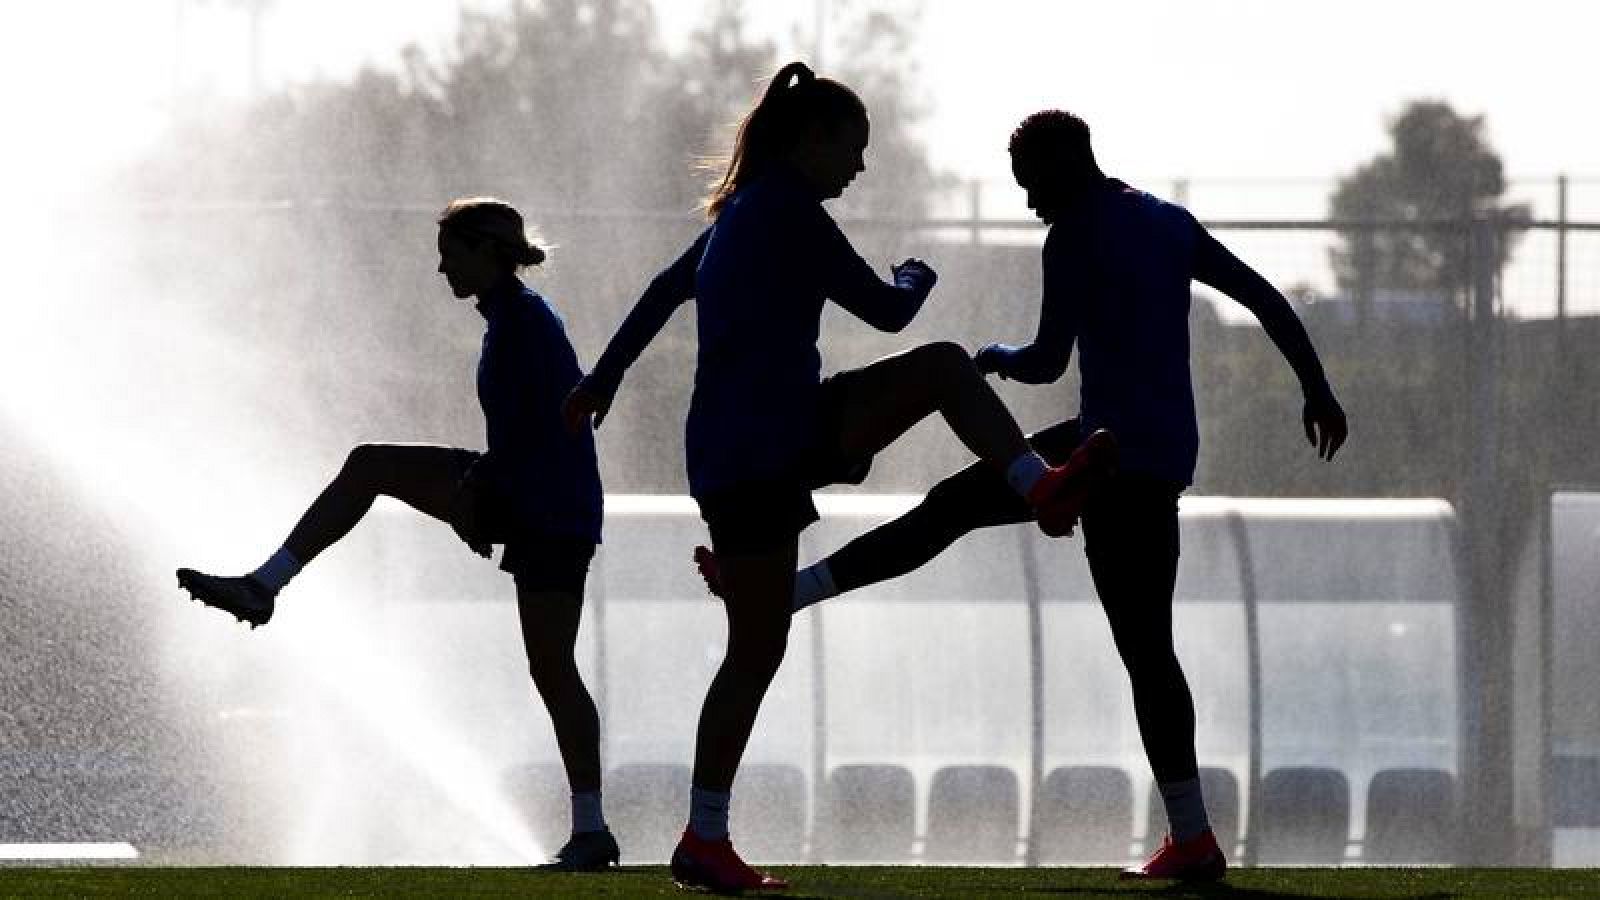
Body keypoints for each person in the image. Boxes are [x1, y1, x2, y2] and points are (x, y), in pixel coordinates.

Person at [694, 110, 1349, 882]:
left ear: (1065, 166)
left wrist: (996, 357)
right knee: (1135, 640)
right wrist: (1317, 389)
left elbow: (1044, 360)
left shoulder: (1072, 234)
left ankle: (812, 586)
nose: (1031, 202)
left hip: (1106, 456)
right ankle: (1192, 835)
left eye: (1033, 185)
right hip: (1161, 456)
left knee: (966, 519)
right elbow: (1266, 299)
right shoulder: (1168, 223)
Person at [563, 64, 1101, 892]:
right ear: (808, 141)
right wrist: (919, 274)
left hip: (742, 444)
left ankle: (705, 836)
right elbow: (889, 311)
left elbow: (664, 293)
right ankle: (1038, 485)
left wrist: (605, 377)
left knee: (755, 644)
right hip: (770, 443)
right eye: (852, 149)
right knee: (941, 369)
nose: (858, 167)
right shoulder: (789, 211)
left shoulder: (739, 210)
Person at [176, 198, 620, 871]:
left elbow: (543, 430)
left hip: (552, 509)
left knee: (552, 668)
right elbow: (521, 434)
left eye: (452, 252)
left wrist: (477, 497)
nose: (441, 267)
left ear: (486, 251)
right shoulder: (510, 319)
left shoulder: (523, 323)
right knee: (371, 466)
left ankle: (592, 831)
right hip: (533, 498)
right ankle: (263, 585)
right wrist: (480, 495)